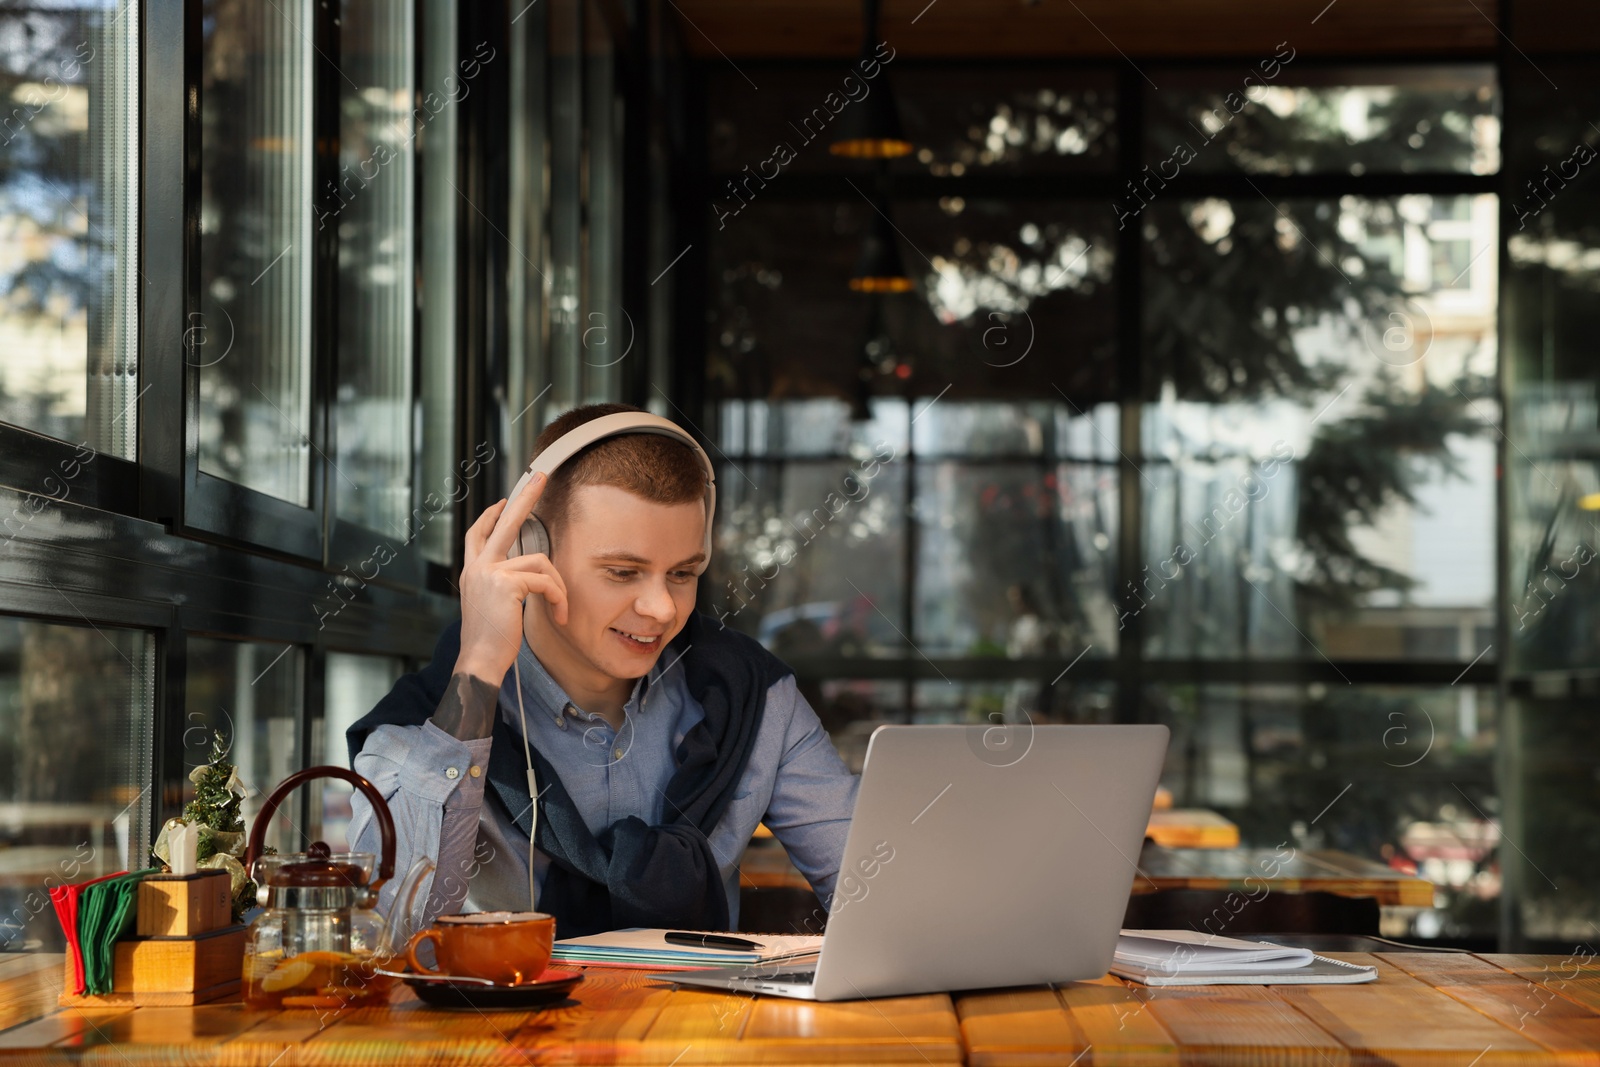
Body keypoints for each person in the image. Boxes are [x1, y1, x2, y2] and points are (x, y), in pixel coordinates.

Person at [344, 403, 858, 939]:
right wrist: (477, 665)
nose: (661, 608)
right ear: (530, 551)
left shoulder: (753, 696)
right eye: (622, 572)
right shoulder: (424, 723)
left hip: (700, 1023)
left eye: (683, 573)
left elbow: (878, 890)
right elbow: (382, 934)